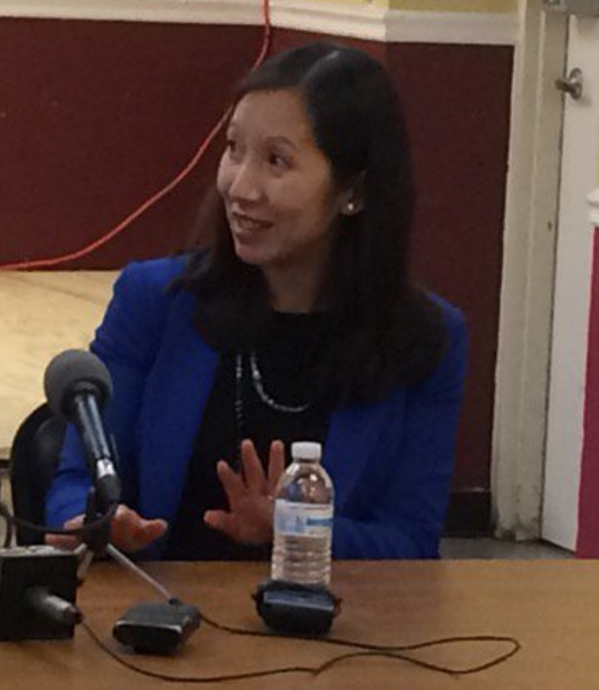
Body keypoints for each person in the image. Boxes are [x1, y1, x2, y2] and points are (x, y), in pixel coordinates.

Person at [46, 42, 466, 560]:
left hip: (333, 631)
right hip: (158, 622)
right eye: (233, 149)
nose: (240, 187)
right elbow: (74, 478)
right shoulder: (155, 301)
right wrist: (91, 520)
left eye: (276, 161)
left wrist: (296, 528)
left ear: (353, 191)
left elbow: (411, 543)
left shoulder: (425, 338)